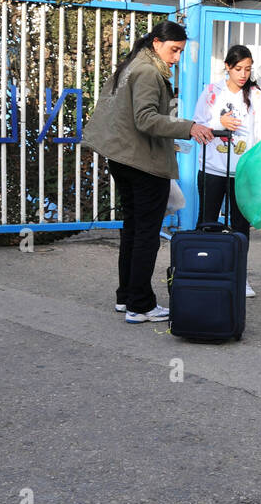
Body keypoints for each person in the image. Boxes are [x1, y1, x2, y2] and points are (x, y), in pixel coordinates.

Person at [82, 20, 213, 323]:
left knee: (132, 227)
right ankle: (140, 304)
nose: (177, 57)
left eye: (180, 51)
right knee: (146, 233)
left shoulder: (133, 65)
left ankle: (126, 296)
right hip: (141, 163)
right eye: (174, 50)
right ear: (157, 43)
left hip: (123, 157)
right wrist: (188, 127)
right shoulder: (148, 72)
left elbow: (127, 118)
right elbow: (145, 119)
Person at [192, 44, 261, 299]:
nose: (243, 74)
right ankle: (202, 273)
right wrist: (219, 124)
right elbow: (197, 126)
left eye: (247, 69)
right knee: (207, 222)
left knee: (240, 227)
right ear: (227, 66)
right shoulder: (211, 92)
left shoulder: (255, 94)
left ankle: (239, 277)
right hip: (213, 168)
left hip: (242, 172)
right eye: (238, 69)